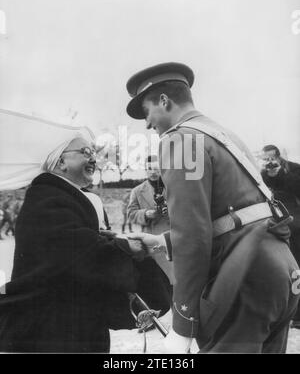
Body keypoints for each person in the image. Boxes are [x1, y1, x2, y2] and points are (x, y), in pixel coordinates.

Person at [125, 62, 300, 353]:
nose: (147, 124)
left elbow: (192, 234)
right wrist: (163, 241)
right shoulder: (224, 136)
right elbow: (235, 214)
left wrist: (182, 324)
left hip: (242, 278)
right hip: (280, 272)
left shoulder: (181, 140)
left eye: (146, 112)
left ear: (164, 101)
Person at [0, 115, 170, 353]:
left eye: (93, 152)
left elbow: (79, 243)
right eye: (85, 152)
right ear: (61, 163)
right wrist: (123, 247)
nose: (94, 158)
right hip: (54, 329)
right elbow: (75, 248)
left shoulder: (61, 196)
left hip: (72, 323)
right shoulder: (45, 198)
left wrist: (109, 240)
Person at [261, 144, 300, 328]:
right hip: (275, 225)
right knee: (278, 269)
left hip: (296, 226)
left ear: (279, 157)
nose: (269, 163)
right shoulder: (262, 174)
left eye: (272, 159)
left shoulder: (293, 169)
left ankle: (298, 316)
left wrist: (281, 175)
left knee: (297, 268)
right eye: (266, 159)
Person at [127, 155, 174, 284]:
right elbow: (131, 214)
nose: (153, 172)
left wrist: (170, 210)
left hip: (173, 239)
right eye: (149, 169)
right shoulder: (137, 191)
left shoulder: (174, 187)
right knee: (160, 280)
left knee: (176, 279)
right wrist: (146, 214)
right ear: (145, 170)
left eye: (156, 168)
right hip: (153, 242)